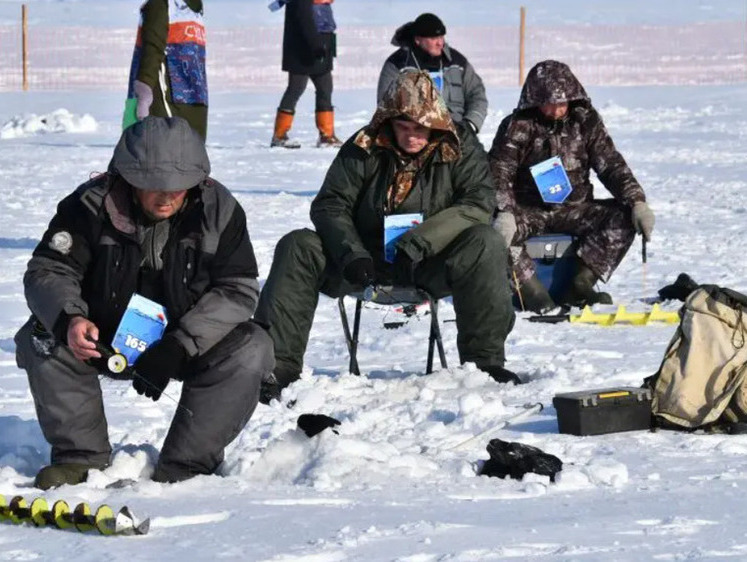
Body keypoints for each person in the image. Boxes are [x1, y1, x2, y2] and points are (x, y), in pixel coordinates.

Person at [15, 117, 273, 489]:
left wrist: (180, 344)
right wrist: (70, 318)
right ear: (129, 178)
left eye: (179, 186)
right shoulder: (88, 206)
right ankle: (79, 458)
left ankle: (187, 466)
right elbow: (48, 271)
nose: (167, 196)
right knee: (41, 335)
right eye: (153, 185)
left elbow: (237, 290)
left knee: (252, 346)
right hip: (100, 339)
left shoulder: (220, 210)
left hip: (186, 343)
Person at [256, 71, 518, 400]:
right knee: (298, 245)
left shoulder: (461, 144)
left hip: (430, 260)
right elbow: (330, 204)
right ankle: (277, 367)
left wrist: (420, 242)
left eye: (421, 129)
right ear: (388, 121)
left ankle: (484, 364)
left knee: (486, 241)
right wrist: (351, 253)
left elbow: (477, 204)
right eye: (403, 128)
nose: (411, 137)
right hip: (365, 261)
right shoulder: (363, 145)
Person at [489, 60, 655, 313]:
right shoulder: (516, 126)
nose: (557, 110)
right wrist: (505, 212)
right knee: (494, 232)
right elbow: (500, 172)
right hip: (529, 211)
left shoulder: (585, 121)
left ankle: (579, 285)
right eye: (550, 103)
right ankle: (532, 292)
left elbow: (610, 164)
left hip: (575, 208)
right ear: (535, 99)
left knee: (622, 217)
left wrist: (637, 202)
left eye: (562, 102)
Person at [377, 13, 488, 135]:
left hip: (457, 135)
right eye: (434, 38)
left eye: (441, 37)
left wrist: (470, 125)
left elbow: (477, 95)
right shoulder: (397, 65)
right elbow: (386, 107)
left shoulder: (457, 62)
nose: (440, 43)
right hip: (416, 139)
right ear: (418, 40)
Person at [125, 0, 208, 140]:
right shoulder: (192, 10)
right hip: (195, 101)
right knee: (189, 157)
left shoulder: (161, 5)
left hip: (161, 102)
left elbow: (153, 49)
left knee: (142, 153)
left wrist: (144, 90)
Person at [270, 0, 342, 148]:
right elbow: (304, 20)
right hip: (303, 50)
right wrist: (315, 44)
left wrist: (326, 46)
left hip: (320, 47)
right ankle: (279, 135)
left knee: (325, 88)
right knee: (296, 88)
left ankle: (327, 136)